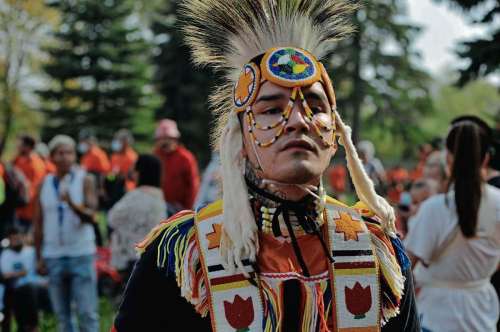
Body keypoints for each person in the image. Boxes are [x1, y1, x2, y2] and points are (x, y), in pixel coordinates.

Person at [113, 1, 419, 331]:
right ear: (239, 138)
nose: (298, 121)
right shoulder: (184, 257)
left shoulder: (375, 250)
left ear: (335, 135)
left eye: (315, 106)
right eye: (272, 110)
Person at [405, 116, 500, 332]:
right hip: (482, 316)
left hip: (436, 315)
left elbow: (406, 266)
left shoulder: (434, 208)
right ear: (485, 158)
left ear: (448, 159)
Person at [33, 135, 99, 332]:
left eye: (69, 153)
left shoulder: (85, 179)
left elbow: (92, 216)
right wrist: (39, 257)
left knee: (87, 313)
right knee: (63, 317)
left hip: (80, 254)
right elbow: (38, 224)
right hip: (54, 256)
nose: (64, 158)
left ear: (75, 156)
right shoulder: (43, 184)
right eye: (59, 153)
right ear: (52, 157)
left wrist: (72, 203)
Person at [108, 154, 166, 280]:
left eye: (135, 170)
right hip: (152, 258)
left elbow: (112, 218)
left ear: (141, 172)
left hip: (131, 258)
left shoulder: (135, 197)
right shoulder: (159, 198)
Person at [0, 227, 44, 332]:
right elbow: (5, 276)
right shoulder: (6, 254)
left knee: (29, 290)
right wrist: (21, 273)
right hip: (14, 290)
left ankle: (33, 326)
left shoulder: (32, 252)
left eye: (18, 238)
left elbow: (41, 269)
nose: (16, 241)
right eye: (13, 239)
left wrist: (16, 274)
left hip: (36, 288)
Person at [154, 119, 200, 210]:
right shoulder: (155, 155)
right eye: (162, 138)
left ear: (175, 139)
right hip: (156, 205)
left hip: (178, 208)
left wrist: (187, 209)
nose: (164, 142)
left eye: (168, 138)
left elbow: (193, 185)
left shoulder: (185, 158)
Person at [13, 135, 48, 233]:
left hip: (29, 212)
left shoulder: (36, 164)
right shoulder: (19, 160)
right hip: (18, 210)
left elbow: (35, 190)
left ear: (27, 147)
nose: (17, 147)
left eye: (20, 145)